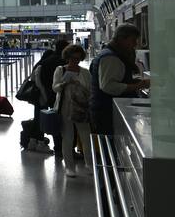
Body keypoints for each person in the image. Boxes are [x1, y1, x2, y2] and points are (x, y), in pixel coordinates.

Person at [89, 24, 150, 135]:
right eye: (133, 40)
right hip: (108, 113)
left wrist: (133, 82)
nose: (135, 44)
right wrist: (139, 85)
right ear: (122, 38)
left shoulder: (111, 54)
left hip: (108, 112)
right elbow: (108, 86)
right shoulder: (111, 57)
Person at [52, 44, 93, 177]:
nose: (74, 61)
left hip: (81, 108)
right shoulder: (60, 70)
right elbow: (55, 88)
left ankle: (89, 164)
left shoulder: (85, 73)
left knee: (86, 137)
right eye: (72, 58)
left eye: (77, 58)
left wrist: (78, 84)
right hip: (65, 108)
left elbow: (90, 91)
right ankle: (69, 167)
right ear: (67, 57)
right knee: (67, 138)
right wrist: (64, 83)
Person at [38, 40, 69, 157]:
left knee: (55, 121)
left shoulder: (46, 61)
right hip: (63, 96)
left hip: (50, 96)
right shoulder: (64, 63)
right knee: (67, 124)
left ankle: (58, 148)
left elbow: (42, 79)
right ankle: (68, 149)